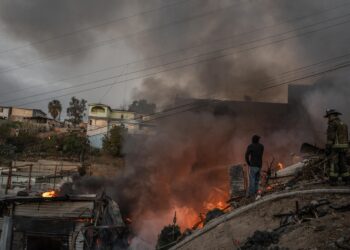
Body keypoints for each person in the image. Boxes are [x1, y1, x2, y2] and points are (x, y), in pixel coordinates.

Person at [324, 109, 350, 185]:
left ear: (333, 115)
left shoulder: (332, 124)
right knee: (343, 163)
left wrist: (328, 148)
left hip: (336, 147)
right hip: (344, 146)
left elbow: (330, 138)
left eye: (329, 116)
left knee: (333, 163)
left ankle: (333, 181)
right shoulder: (343, 124)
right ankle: (347, 180)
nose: (328, 118)